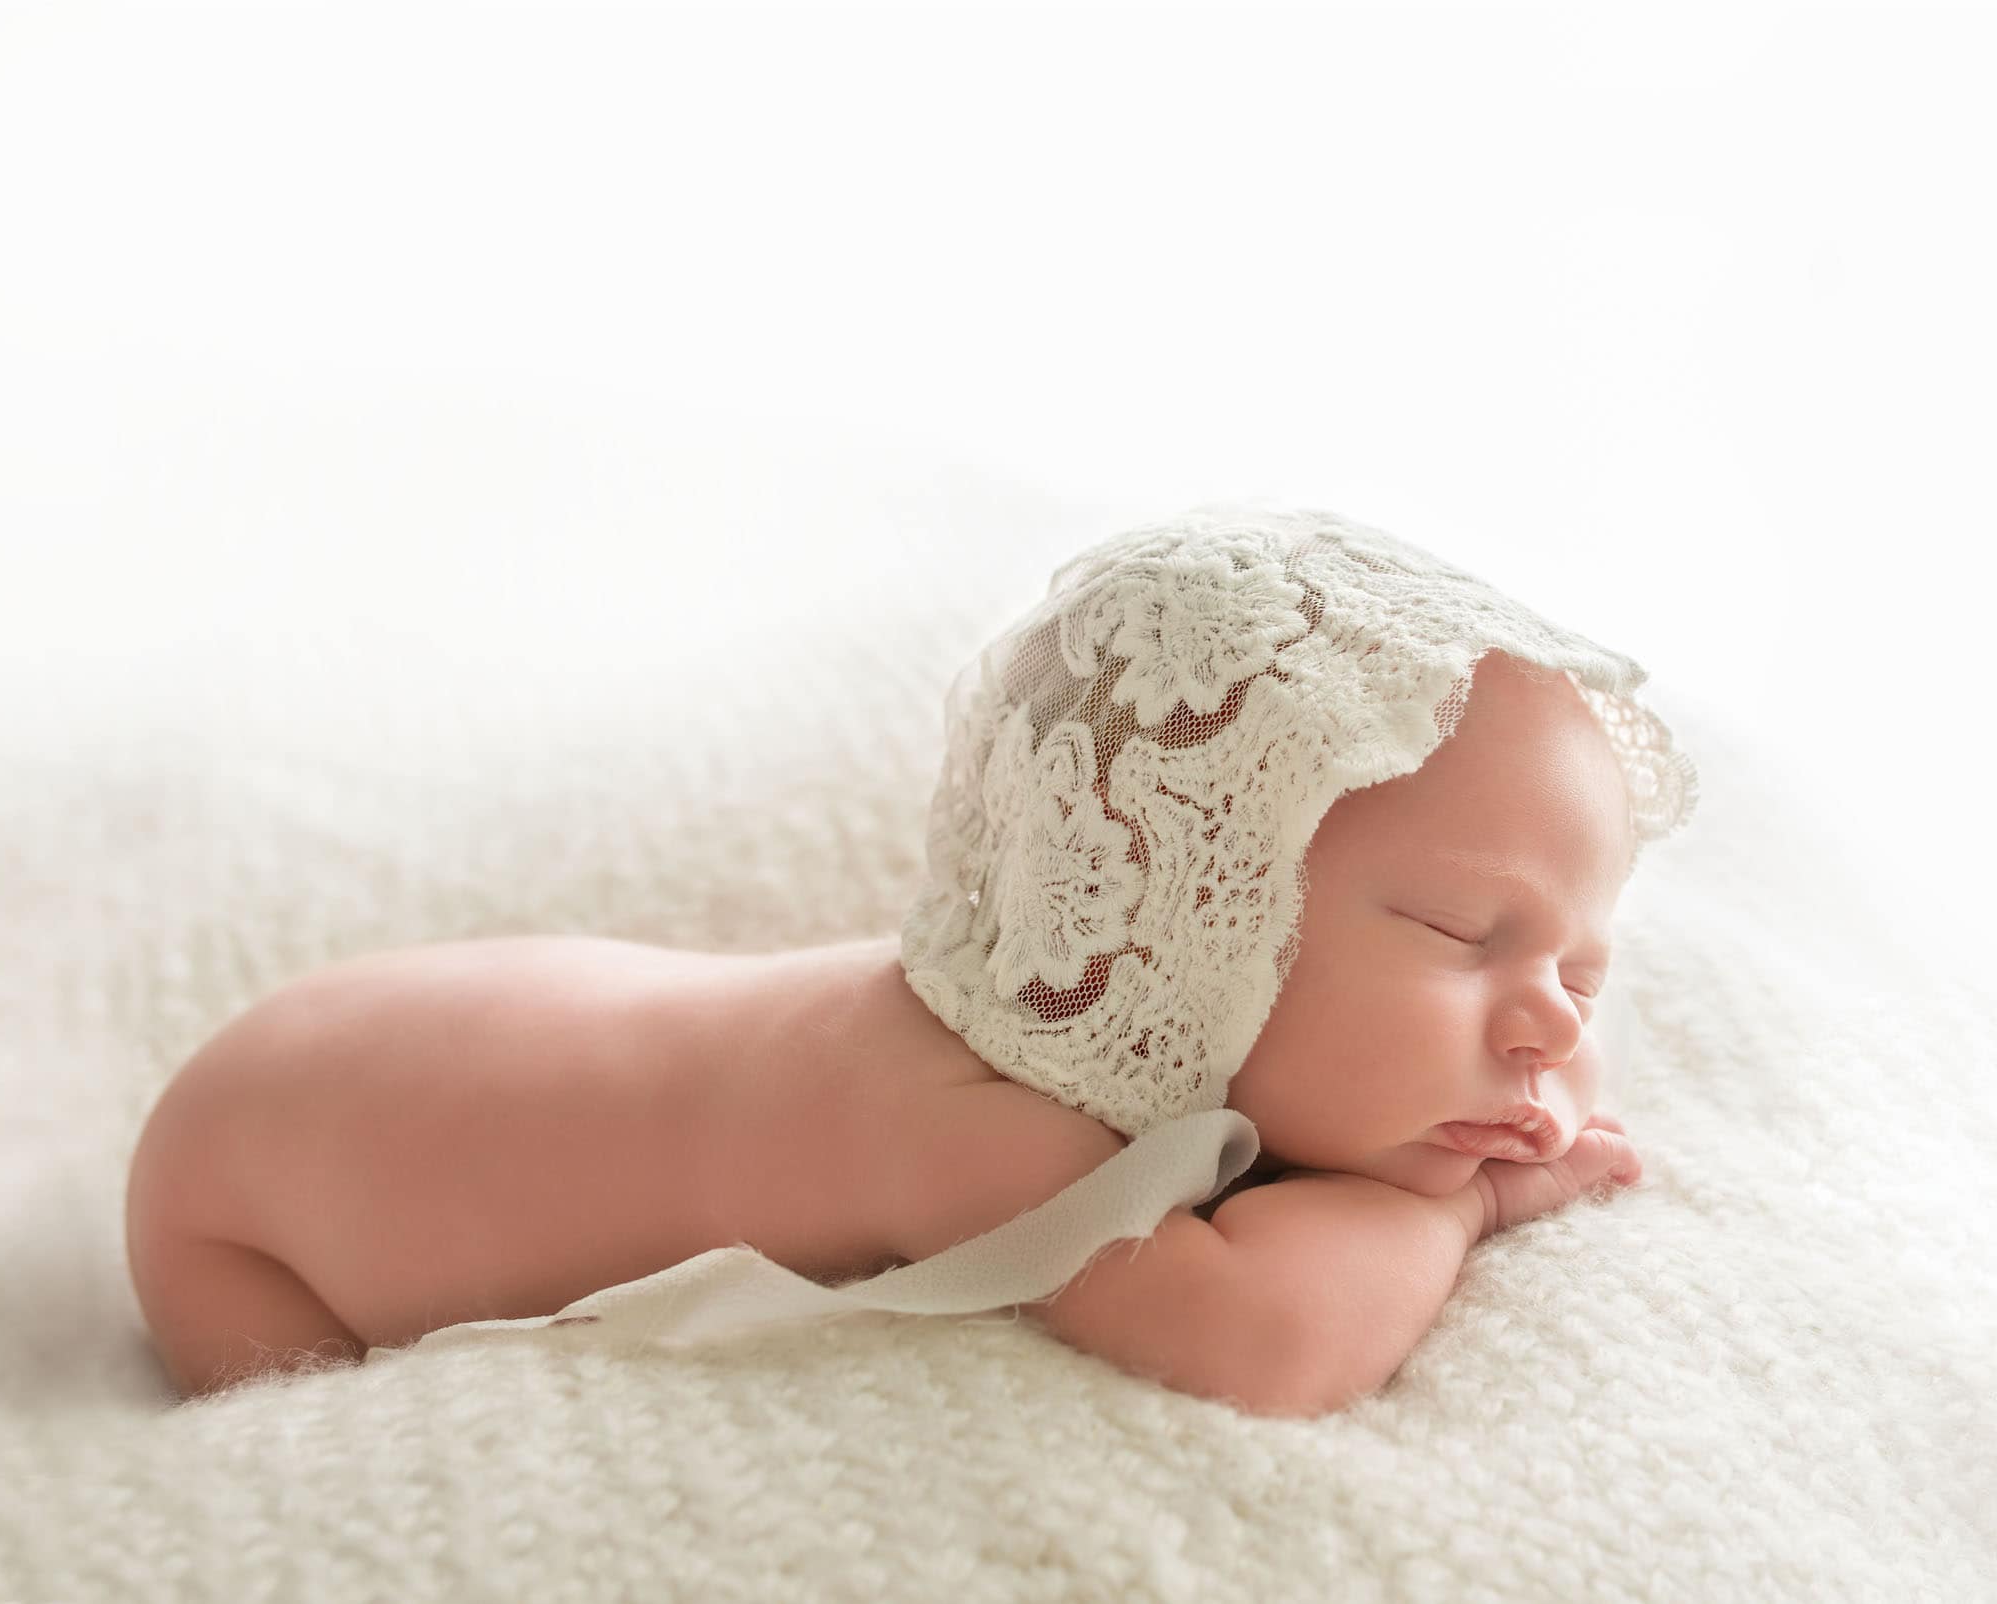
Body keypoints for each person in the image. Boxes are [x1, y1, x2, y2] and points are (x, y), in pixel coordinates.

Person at [125, 502, 1696, 1414]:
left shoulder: (1095, 1040)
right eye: (1465, 937)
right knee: (290, 1408)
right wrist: (1456, 1199)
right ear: (1187, 919)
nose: (1553, 1024)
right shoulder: (963, 1124)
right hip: (257, 1203)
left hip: (466, 1025)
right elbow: (1260, 1339)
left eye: (1584, 970)